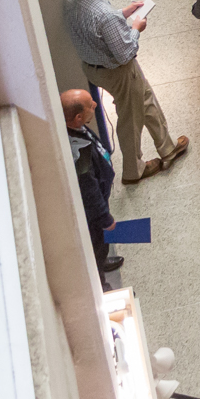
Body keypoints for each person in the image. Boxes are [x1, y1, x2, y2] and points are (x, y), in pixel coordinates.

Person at [64, 0, 187, 182]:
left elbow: (97, 28)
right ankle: (133, 170)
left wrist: (123, 13)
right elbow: (125, 52)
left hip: (93, 67)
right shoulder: (106, 16)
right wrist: (136, 28)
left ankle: (167, 147)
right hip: (118, 72)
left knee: (146, 98)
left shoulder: (73, 0)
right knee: (130, 118)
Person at [61, 90, 120, 274]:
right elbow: (89, 190)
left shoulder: (78, 128)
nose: (95, 104)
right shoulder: (79, 153)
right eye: (90, 104)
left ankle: (102, 262)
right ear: (78, 117)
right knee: (97, 244)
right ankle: (101, 280)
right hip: (93, 214)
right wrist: (105, 217)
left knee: (101, 242)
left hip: (101, 196)